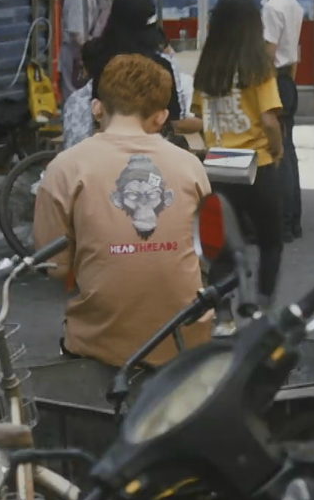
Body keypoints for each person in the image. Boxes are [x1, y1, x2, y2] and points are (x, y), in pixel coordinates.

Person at [33, 54, 212, 367]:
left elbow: (55, 268)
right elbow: (204, 254)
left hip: (100, 346)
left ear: (97, 108)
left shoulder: (65, 168)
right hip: (186, 342)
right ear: (160, 117)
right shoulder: (191, 166)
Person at [192, 0, 286, 309]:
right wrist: (278, 150)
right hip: (256, 165)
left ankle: (223, 313)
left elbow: (200, 115)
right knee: (271, 241)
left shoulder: (207, 68)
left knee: (219, 244)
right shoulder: (258, 67)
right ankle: (261, 305)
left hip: (217, 166)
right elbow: (269, 120)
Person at [82, 0, 202, 140]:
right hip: (153, 147)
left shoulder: (97, 57)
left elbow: (95, 112)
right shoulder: (161, 65)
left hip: (106, 143)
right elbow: (175, 120)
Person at [247, 0, 305, 243]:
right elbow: (293, 54)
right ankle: (293, 220)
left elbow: (267, 54)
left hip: (272, 82)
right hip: (287, 81)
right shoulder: (292, 4)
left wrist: (254, 87)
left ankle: (281, 224)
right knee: (289, 152)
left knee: (277, 153)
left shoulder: (271, 7)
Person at [60, 0, 139, 98]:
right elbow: (77, 35)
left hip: (97, 57)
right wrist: (95, 55)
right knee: (77, 100)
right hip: (77, 58)